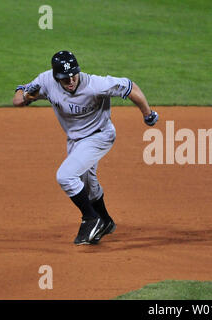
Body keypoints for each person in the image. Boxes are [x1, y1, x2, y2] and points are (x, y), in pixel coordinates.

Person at [13, 50, 159, 245]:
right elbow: (19, 97)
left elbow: (130, 87)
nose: (71, 80)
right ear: (56, 77)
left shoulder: (96, 85)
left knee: (65, 176)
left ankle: (91, 218)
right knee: (88, 185)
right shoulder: (46, 81)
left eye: (74, 75)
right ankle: (105, 221)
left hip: (100, 136)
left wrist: (147, 113)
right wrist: (26, 98)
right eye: (65, 79)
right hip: (75, 142)